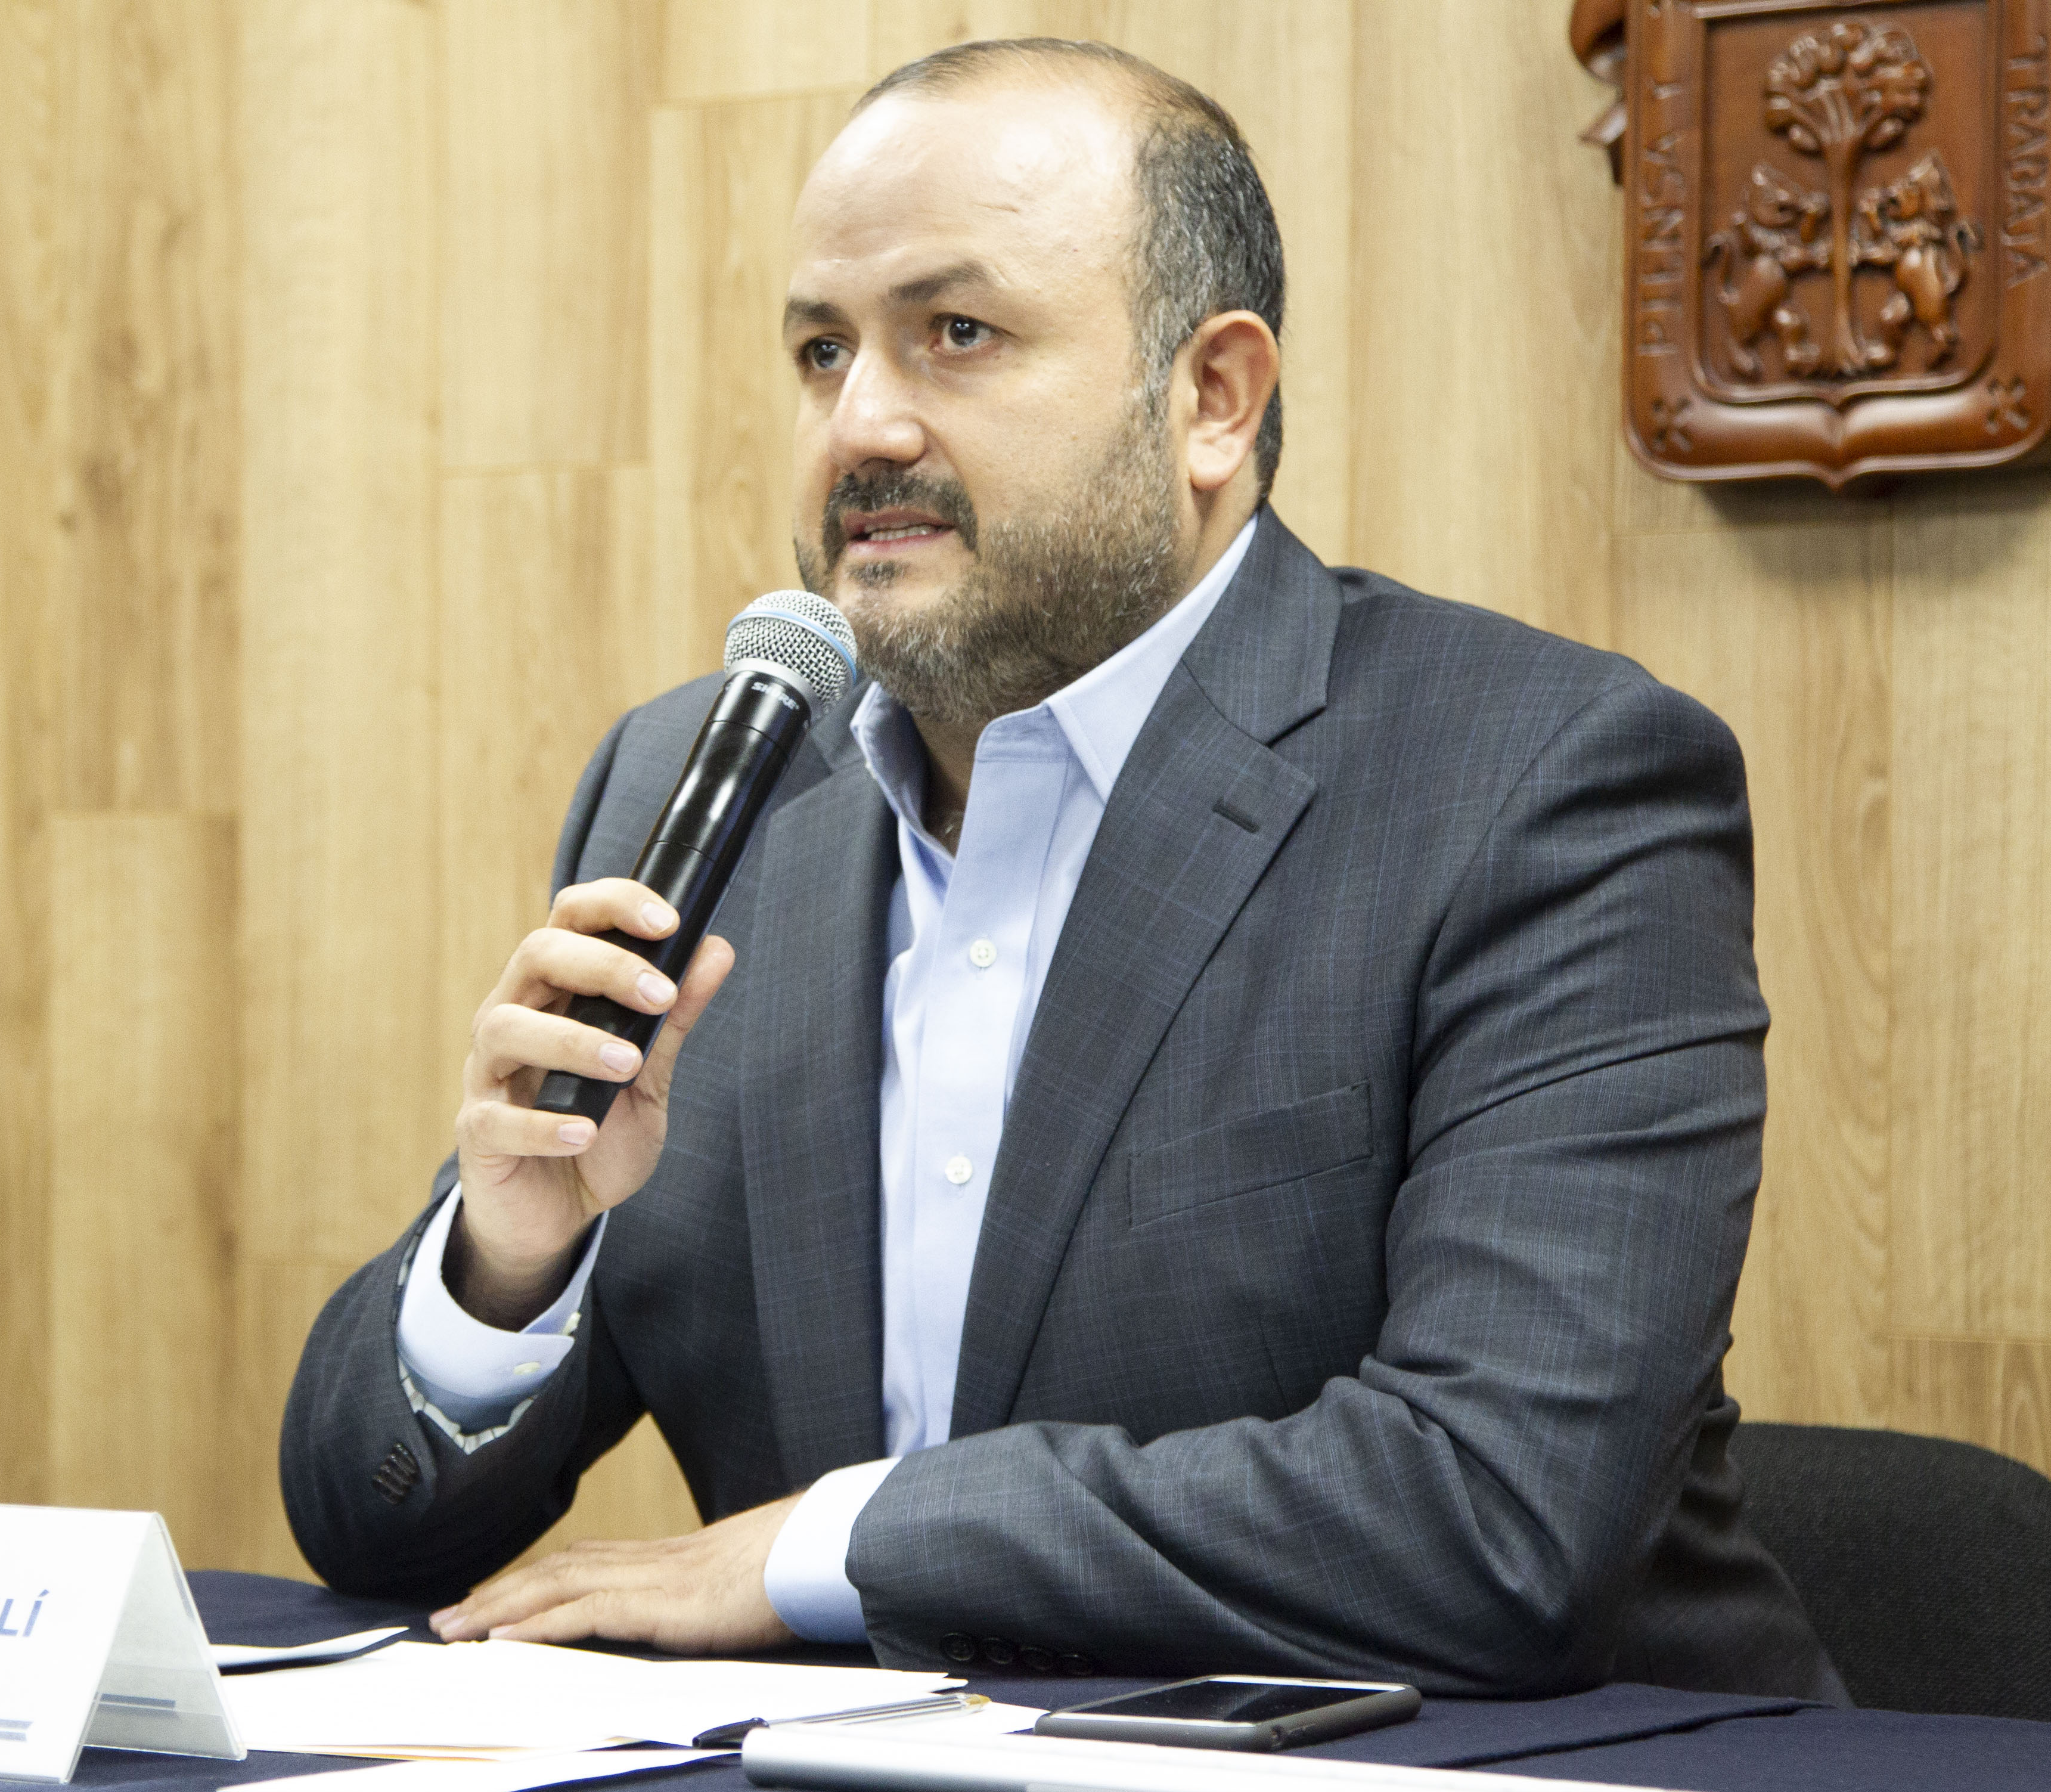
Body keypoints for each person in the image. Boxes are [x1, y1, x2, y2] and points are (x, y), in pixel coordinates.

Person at [281, 40, 1844, 1701]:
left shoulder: (1540, 784)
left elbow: (1494, 1518)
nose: (860, 424)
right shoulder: (698, 791)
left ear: (1211, 398)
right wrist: (507, 1266)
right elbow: (372, 1532)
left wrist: (834, 1545)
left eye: (957, 335)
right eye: (823, 351)